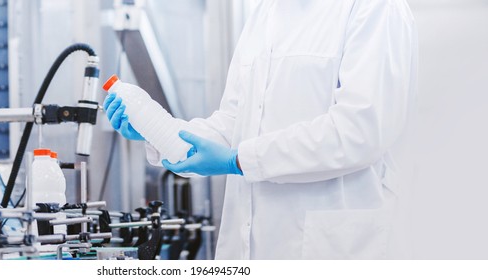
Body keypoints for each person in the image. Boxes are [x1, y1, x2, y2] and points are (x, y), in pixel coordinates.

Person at [104, 0, 417, 259]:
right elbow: (233, 122)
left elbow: (358, 132)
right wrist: (157, 131)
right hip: (251, 249)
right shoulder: (265, 14)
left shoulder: (374, 8)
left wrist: (239, 161)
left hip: (332, 248)